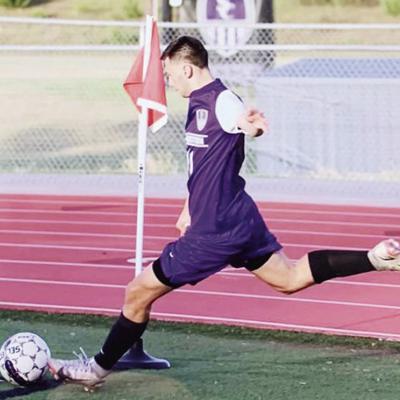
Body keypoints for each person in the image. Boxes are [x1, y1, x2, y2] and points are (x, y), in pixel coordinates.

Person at [48, 36, 400, 390]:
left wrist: (253, 127)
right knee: (289, 278)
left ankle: (95, 369)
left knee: (137, 291)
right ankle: (375, 258)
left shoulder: (222, 101)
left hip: (214, 232)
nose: (167, 81)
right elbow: (205, 163)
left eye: (169, 73)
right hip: (238, 219)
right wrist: (188, 206)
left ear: (186, 68)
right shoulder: (197, 102)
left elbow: (244, 125)